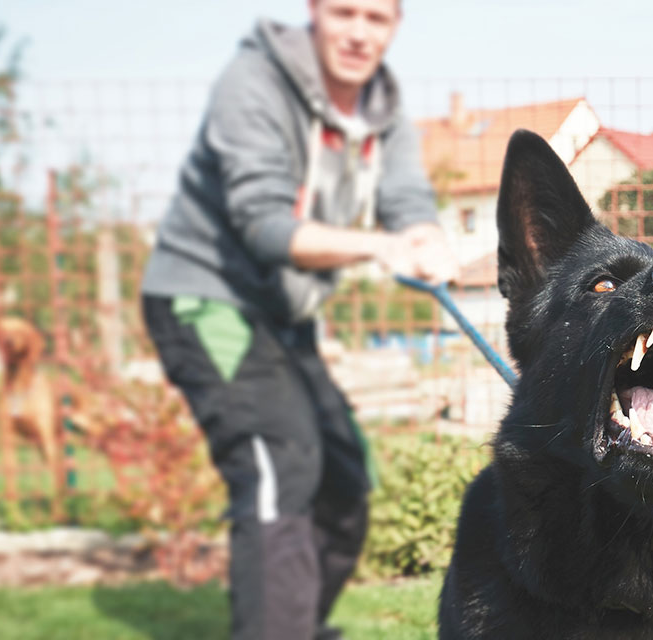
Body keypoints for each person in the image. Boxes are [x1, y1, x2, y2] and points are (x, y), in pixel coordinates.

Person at [140, 1, 455, 638]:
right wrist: (378, 246)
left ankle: (292, 625)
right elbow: (264, 224)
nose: (359, 34)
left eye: (377, 18)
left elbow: (406, 199)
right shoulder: (252, 83)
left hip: (286, 317)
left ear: (395, 26)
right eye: (344, 12)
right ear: (313, 11)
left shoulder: (383, 112)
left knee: (342, 479)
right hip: (208, 300)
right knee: (278, 464)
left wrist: (423, 238)